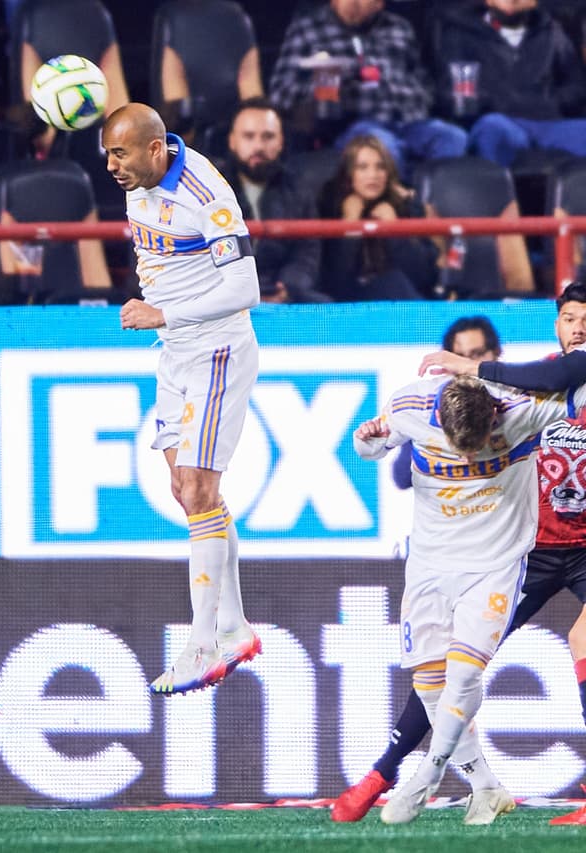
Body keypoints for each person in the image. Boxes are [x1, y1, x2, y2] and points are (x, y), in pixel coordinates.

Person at [338, 282, 586, 826]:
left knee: (480, 671)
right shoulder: (414, 403)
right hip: (464, 559)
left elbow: (567, 377)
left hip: (509, 559)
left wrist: (472, 368)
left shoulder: (533, 400)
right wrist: (371, 436)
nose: (578, 327)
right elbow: (370, 450)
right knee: (436, 676)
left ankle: (420, 775)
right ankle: (469, 782)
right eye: (569, 316)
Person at [103, 102, 261, 695]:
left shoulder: (206, 192)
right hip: (174, 354)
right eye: (106, 156)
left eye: (120, 154)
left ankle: (201, 644)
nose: (112, 167)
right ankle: (236, 626)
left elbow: (246, 288)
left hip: (219, 351)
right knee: (187, 489)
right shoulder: (137, 182)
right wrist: (163, 316)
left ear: (154, 147)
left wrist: (162, 311)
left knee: (199, 488)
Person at [268, 0, 467, 175]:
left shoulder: (399, 28)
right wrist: (327, 84)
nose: (352, 2)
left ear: (379, 3)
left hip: (410, 122)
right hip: (355, 125)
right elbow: (280, 93)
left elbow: (423, 79)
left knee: (453, 138)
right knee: (382, 146)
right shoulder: (308, 30)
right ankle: (399, 205)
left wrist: (420, 99)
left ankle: (431, 204)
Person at [434, 0, 586, 168]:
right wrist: (491, 103)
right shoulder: (460, 32)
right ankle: (496, 193)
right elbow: (449, 91)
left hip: (547, 121)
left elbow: (576, 86)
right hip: (498, 118)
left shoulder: (552, 31)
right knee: (492, 128)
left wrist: (551, 103)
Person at [218, 97, 325, 304]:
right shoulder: (210, 187)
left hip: (282, 295)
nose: (258, 146)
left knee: (327, 312)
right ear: (232, 141)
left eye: (268, 137)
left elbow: (307, 252)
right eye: (249, 136)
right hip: (222, 296)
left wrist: (288, 288)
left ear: (281, 141)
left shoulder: (298, 188)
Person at [317, 135, 439, 301]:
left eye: (380, 167)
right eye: (362, 167)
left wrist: (394, 230)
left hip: (402, 300)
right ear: (348, 174)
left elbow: (424, 278)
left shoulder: (405, 207)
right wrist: (350, 224)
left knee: (394, 282)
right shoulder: (329, 208)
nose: (373, 175)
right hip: (352, 307)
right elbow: (335, 283)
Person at [392, 316, 503, 489]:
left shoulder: (520, 402)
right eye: (458, 356)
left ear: (497, 351)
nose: (465, 364)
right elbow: (402, 478)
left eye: (476, 354)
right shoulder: (427, 409)